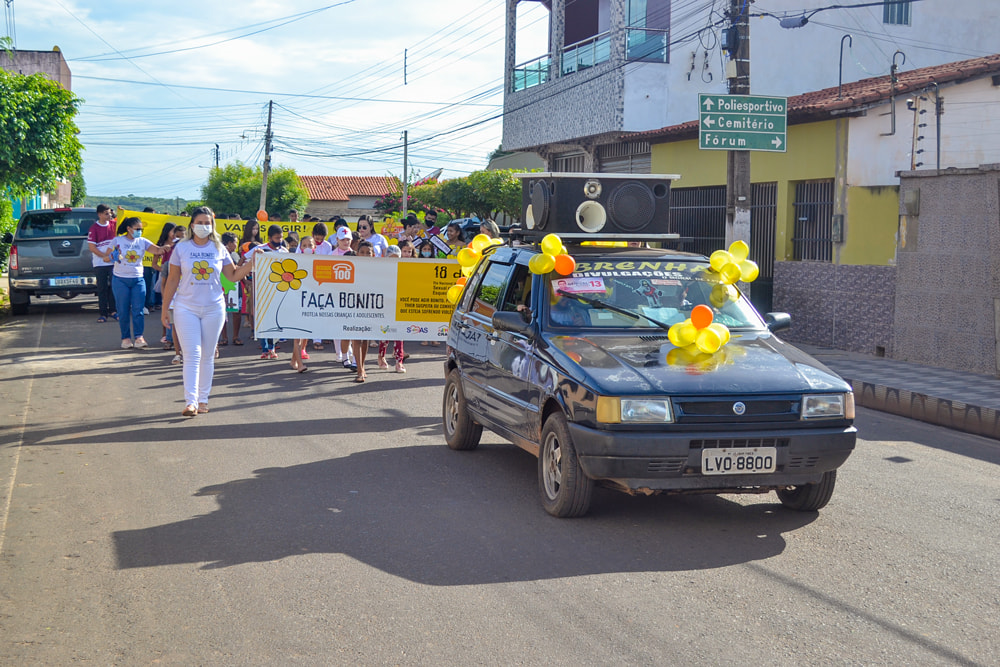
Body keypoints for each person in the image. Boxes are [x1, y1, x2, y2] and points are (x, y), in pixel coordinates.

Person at [160, 206, 256, 417]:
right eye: (200, 223)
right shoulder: (181, 248)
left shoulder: (218, 248)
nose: (203, 226)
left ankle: (203, 400)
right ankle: (190, 402)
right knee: (192, 354)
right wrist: (165, 308)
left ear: (212, 225)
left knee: (207, 355)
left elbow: (232, 276)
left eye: (207, 223)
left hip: (214, 308)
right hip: (186, 307)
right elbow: (173, 279)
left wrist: (252, 264)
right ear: (192, 225)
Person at [104, 216, 167, 349]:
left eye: (141, 229)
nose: (140, 231)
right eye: (137, 229)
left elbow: (157, 250)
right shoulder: (117, 240)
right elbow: (105, 258)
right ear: (129, 228)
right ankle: (126, 338)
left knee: (138, 309)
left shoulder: (142, 241)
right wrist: (113, 256)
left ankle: (139, 337)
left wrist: (167, 246)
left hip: (138, 279)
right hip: (120, 279)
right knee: (123, 310)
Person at [253, 225, 289, 359]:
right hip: (263, 289)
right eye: (276, 238)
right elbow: (245, 260)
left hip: (278, 289)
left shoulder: (284, 251)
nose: (279, 240)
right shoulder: (260, 249)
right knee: (263, 320)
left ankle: (272, 348)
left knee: (274, 319)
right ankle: (264, 349)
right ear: (269, 238)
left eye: (281, 237)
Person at [351, 241, 376, 381]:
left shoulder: (378, 270)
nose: (365, 255)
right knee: (356, 338)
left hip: (370, 306)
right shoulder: (352, 267)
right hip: (355, 306)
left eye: (368, 253)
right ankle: (359, 370)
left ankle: (363, 365)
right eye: (362, 252)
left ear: (373, 255)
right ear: (357, 253)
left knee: (365, 338)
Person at [87, 204, 117, 322]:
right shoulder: (94, 228)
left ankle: (113, 311)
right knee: (102, 288)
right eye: (106, 213)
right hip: (100, 264)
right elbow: (92, 247)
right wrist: (105, 256)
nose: (109, 215)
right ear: (99, 214)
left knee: (114, 287)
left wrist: (122, 211)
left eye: (110, 213)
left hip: (113, 263)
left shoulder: (114, 224)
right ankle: (103, 313)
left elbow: (126, 223)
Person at [379, 246, 406, 372]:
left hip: (398, 305)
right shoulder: (381, 270)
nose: (394, 260)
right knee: (385, 333)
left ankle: (399, 361)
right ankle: (381, 356)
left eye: (397, 258)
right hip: (385, 305)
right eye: (391, 258)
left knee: (399, 334)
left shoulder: (403, 269)